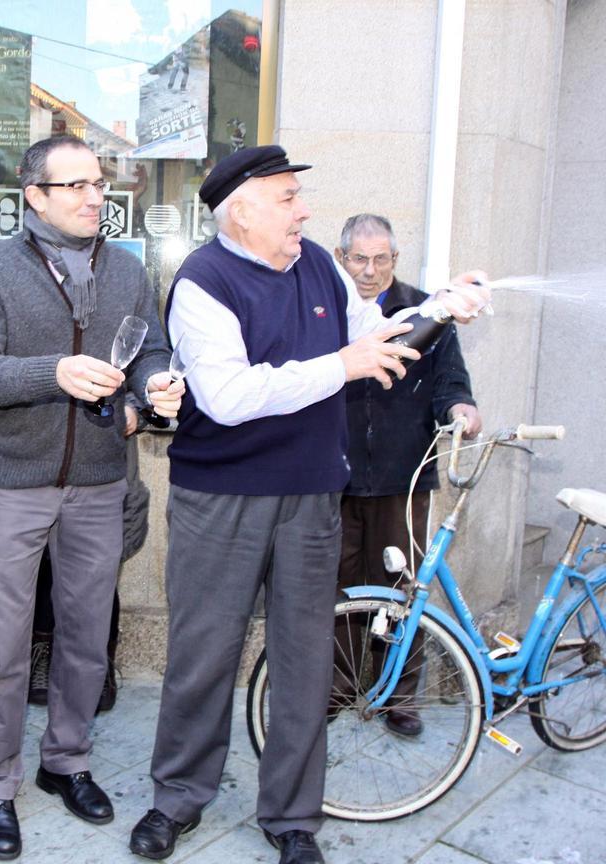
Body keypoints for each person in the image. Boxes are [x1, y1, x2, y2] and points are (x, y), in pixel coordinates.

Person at [128, 145, 490, 864]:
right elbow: (229, 398)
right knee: (203, 656)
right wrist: (342, 366)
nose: (304, 210)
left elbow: (366, 335)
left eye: (299, 196)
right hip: (221, 499)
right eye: (289, 197)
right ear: (243, 209)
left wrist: (440, 308)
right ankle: (177, 799)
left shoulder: (320, 266)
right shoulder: (202, 281)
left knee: (303, 660)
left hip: (311, 496)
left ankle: (292, 816)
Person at [0, 134, 182, 861]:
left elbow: (146, 350)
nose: (95, 198)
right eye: (77, 186)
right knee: (2, 645)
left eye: (99, 185)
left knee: (87, 638)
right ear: (36, 196)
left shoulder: (126, 268)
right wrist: (56, 371)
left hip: (100, 480)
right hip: (15, 482)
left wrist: (153, 388)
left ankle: (67, 762)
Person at [332, 213, 480, 737]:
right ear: (340, 257)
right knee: (338, 590)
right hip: (335, 476)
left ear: (395, 259)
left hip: (406, 478)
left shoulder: (426, 312)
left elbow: (450, 382)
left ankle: (400, 697)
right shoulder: (328, 312)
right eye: (358, 259)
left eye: (381, 259)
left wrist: (461, 409)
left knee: (401, 591)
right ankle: (338, 688)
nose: (369, 271)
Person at [28, 398, 151, 714]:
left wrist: (135, 409)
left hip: (104, 440)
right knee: (42, 552)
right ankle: (42, 650)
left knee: (100, 561)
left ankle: (100, 662)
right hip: (41, 435)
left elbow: (146, 361)